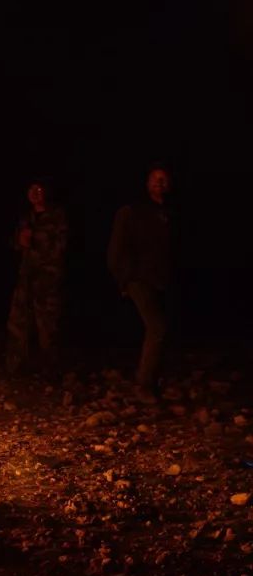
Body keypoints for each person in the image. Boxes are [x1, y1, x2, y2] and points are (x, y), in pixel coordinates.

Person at [107, 165, 175, 401]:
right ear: (147, 183)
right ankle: (143, 385)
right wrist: (123, 279)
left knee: (160, 329)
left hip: (160, 280)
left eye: (164, 179)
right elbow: (116, 249)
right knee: (157, 327)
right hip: (138, 278)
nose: (160, 183)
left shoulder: (168, 212)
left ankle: (153, 379)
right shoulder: (132, 211)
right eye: (155, 179)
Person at [5, 180, 68, 374]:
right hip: (26, 277)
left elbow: (62, 246)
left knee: (47, 324)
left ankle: (50, 369)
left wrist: (39, 245)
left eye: (40, 190)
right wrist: (19, 240)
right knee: (18, 321)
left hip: (47, 278)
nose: (36, 194)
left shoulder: (58, 216)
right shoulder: (26, 218)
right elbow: (15, 243)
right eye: (32, 190)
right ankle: (17, 365)